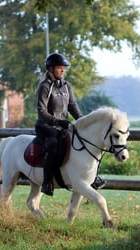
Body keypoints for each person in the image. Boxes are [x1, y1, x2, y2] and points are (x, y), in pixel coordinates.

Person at [35, 52, 106, 196]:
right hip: (45, 127)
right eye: (59, 67)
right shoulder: (45, 86)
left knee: (82, 141)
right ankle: (47, 182)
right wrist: (57, 121)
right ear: (50, 68)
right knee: (54, 145)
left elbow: (73, 106)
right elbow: (41, 112)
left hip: (62, 126)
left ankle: (91, 177)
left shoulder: (67, 86)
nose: (62, 70)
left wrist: (82, 121)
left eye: (63, 68)